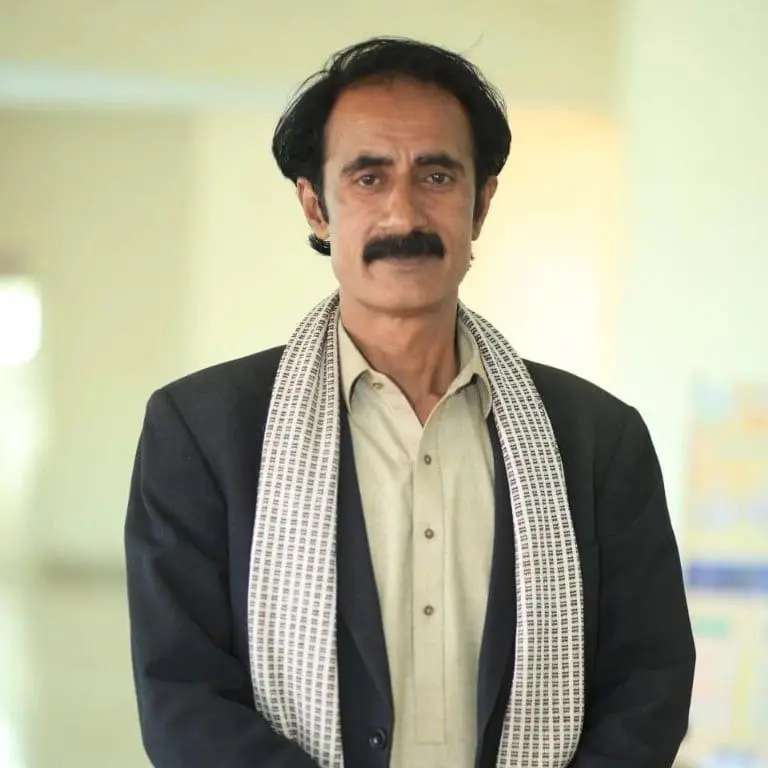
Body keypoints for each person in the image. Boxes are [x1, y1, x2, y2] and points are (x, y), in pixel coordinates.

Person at [124, 37, 695, 768]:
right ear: (316, 206)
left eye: (436, 175)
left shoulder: (597, 438)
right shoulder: (201, 431)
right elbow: (182, 695)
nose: (403, 213)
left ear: (480, 204)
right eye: (368, 177)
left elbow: (648, 683)